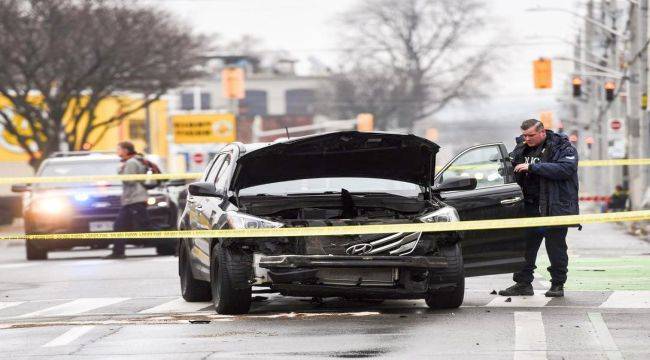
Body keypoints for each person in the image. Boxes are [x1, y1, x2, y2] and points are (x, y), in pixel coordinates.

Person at [498, 119, 579, 298]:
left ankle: (557, 284)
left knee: (555, 247)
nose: (527, 138)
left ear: (542, 132)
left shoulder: (562, 147)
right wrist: (506, 168)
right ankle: (523, 283)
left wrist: (533, 167)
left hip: (552, 207)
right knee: (526, 247)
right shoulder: (521, 148)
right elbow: (507, 169)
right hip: (528, 207)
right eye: (525, 135)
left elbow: (566, 169)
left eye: (531, 135)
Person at [105, 141, 154, 259]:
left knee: (145, 227)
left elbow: (129, 180)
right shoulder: (132, 161)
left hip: (135, 199)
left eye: (119, 149)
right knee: (120, 226)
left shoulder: (131, 162)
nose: (117, 152)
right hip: (131, 200)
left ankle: (174, 243)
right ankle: (118, 252)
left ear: (125, 150)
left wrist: (120, 170)